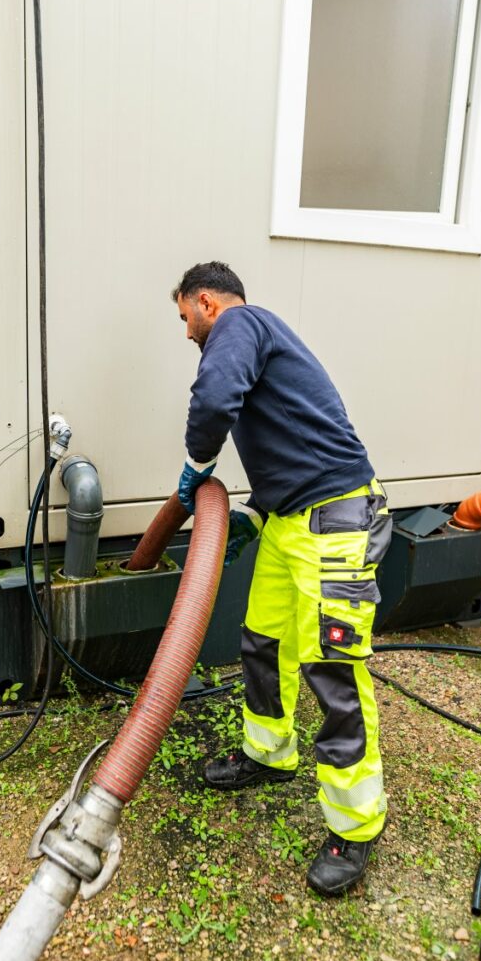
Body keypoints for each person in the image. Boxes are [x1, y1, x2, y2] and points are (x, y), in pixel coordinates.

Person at [172, 261, 392, 896]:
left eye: (185, 317)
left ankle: (356, 826)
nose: (187, 333)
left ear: (206, 302)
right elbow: (291, 444)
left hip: (335, 521)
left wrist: (196, 464)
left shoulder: (240, 324)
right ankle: (269, 754)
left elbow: (214, 401)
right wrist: (252, 514)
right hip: (290, 520)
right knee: (264, 640)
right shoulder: (257, 338)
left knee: (333, 668)